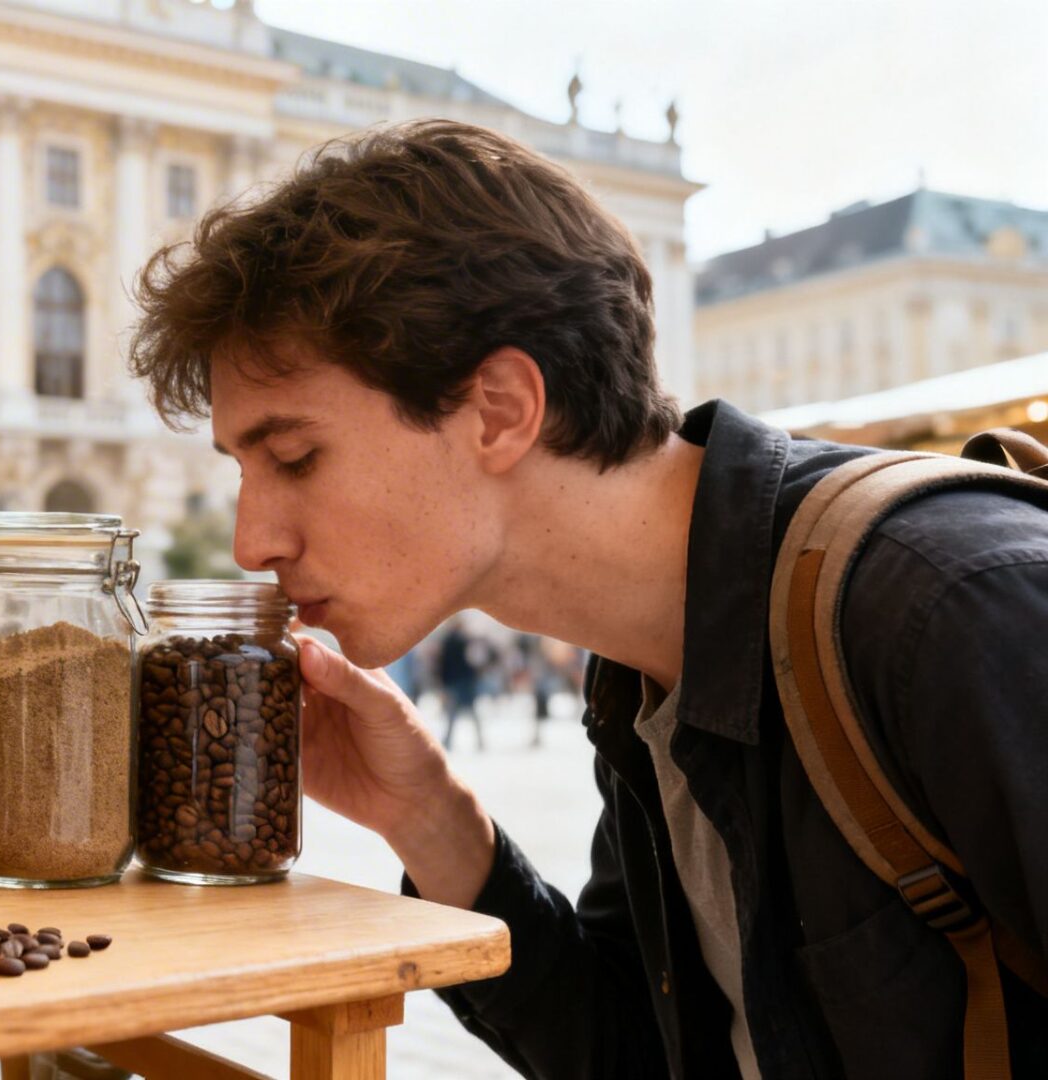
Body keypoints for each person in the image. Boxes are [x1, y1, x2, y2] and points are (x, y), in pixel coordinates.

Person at [125, 119, 1048, 1078]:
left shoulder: (951, 611)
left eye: (294, 458)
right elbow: (632, 1054)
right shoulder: (650, 663)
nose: (251, 540)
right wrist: (432, 819)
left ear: (501, 410)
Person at [436, 623, 485, 752]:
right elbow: (474, 662)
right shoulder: (466, 641)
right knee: (471, 712)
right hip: (465, 681)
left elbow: (442, 665)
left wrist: (442, 684)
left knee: (453, 714)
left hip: (453, 681)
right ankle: (480, 740)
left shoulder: (447, 641)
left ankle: (448, 741)